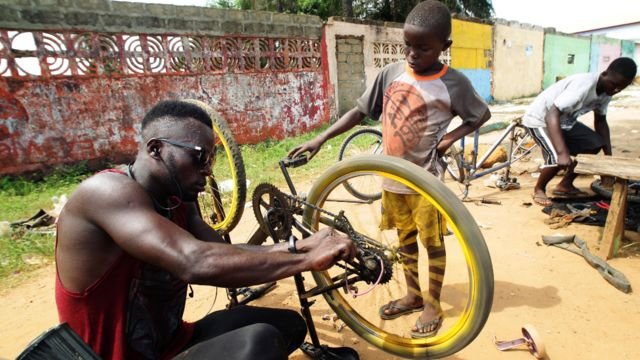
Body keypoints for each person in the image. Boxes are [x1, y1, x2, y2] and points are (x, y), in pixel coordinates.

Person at [55, 100, 356, 360]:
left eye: (211, 159)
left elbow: (225, 253)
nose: (208, 169)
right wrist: (305, 258)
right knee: (259, 343)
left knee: (288, 326)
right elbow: (195, 261)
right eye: (200, 156)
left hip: (170, 344)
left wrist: (299, 247)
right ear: (156, 149)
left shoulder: (176, 199)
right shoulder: (106, 192)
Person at [289, 0, 490, 338]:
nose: (412, 54)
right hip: (391, 180)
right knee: (405, 239)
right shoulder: (391, 73)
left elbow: (479, 115)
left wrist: (450, 138)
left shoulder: (454, 83)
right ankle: (413, 294)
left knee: (432, 242)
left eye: (423, 48)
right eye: (408, 45)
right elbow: (359, 112)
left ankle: (433, 303)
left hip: (426, 183)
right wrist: (320, 139)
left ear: (445, 47)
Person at [523, 57, 637, 206]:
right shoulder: (583, 86)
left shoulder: (607, 93)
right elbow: (552, 114)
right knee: (557, 157)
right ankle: (539, 189)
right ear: (604, 74)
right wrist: (562, 152)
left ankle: (565, 184)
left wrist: (609, 160)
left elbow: (601, 121)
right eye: (614, 85)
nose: (616, 90)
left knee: (595, 143)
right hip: (540, 119)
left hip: (565, 123)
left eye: (622, 87)